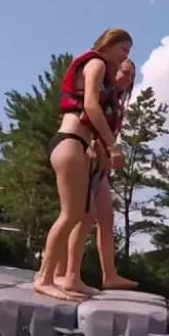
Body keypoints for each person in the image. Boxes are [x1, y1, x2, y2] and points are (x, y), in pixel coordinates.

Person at [32, 28, 132, 301]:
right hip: (70, 141)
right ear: (109, 45)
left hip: (77, 143)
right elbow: (90, 105)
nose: (125, 57)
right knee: (70, 215)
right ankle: (45, 277)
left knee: (84, 215)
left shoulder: (100, 69)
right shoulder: (96, 62)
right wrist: (113, 145)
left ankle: (72, 278)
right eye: (123, 50)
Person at [55, 58, 139, 293]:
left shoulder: (116, 101)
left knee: (105, 218)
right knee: (81, 217)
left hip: (100, 165)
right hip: (88, 156)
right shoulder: (102, 91)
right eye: (124, 72)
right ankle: (64, 273)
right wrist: (101, 149)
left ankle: (109, 274)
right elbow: (89, 119)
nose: (127, 78)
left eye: (132, 75)